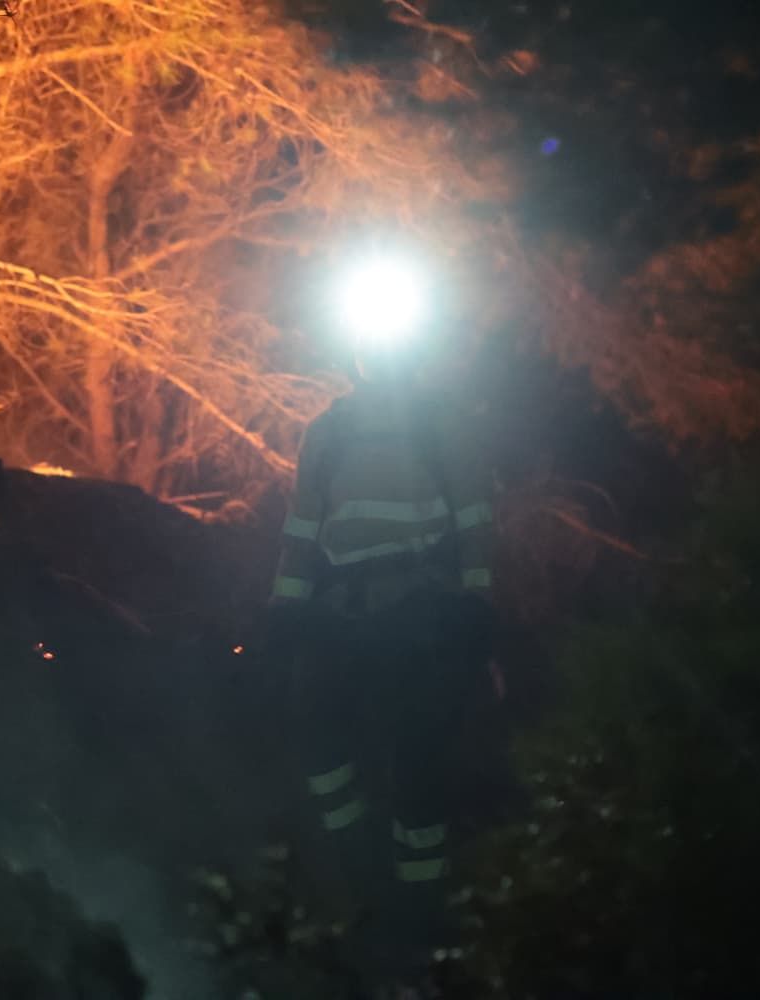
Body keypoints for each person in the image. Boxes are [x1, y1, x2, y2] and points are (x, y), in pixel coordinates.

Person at [266, 311, 498, 991]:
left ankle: (418, 915)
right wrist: (282, 609)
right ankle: (363, 876)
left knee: (417, 759)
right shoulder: (328, 432)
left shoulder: (440, 424)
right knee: (314, 734)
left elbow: (477, 520)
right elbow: (301, 531)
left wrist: (479, 604)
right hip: (343, 612)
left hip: (421, 609)